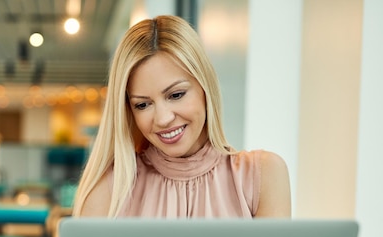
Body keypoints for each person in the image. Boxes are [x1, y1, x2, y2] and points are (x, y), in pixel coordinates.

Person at [72, 15, 291, 218]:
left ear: (205, 88)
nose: (163, 119)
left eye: (176, 95)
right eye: (143, 104)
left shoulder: (263, 176)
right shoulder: (109, 189)